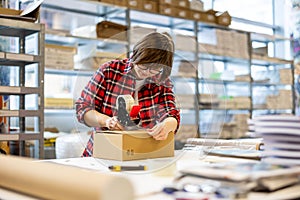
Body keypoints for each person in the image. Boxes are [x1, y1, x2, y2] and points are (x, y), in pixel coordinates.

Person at [75, 32, 180, 157]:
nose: (147, 72)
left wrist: (168, 124)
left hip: (140, 153)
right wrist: (107, 121)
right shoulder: (109, 72)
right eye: (144, 66)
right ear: (136, 55)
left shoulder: (161, 80)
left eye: (155, 69)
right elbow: (83, 109)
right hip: (103, 153)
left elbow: (171, 112)